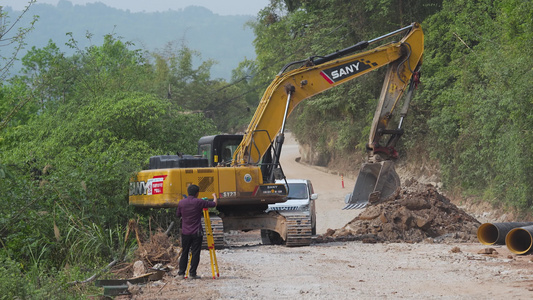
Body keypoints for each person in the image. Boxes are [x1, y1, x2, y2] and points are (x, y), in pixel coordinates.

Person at [176, 184, 218, 279]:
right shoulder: (199, 202)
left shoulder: (181, 203)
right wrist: (214, 196)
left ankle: (181, 273)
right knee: (195, 253)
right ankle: (192, 274)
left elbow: (178, 215)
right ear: (197, 193)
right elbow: (214, 204)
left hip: (185, 232)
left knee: (185, 252)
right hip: (196, 232)